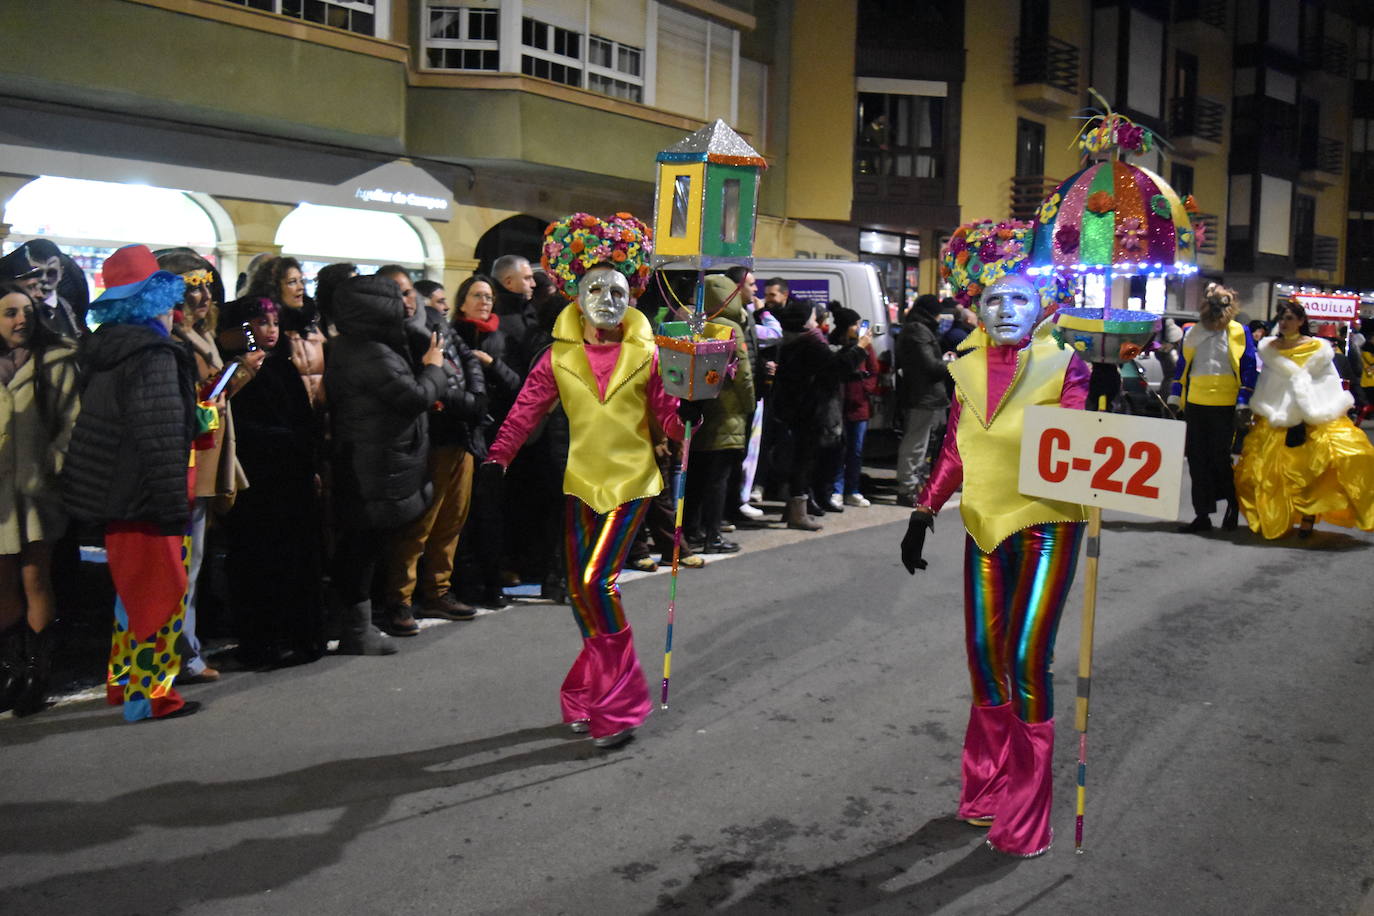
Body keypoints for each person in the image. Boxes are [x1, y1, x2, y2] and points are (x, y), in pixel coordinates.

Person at [901, 219, 1088, 857]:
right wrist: (923, 512)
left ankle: (1026, 818)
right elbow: (954, 449)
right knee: (986, 661)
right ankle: (986, 791)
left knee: (1028, 662)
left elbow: (1068, 444)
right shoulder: (966, 369)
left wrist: (1098, 411)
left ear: (1042, 308)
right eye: (993, 299)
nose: (1005, 309)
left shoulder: (1067, 365)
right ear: (975, 308)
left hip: (1046, 527)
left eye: (1019, 298)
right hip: (983, 530)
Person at [481, 211, 682, 749]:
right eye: (597, 289)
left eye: (618, 291)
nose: (609, 301)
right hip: (580, 485)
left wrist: (697, 404)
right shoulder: (556, 357)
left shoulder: (650, 353)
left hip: (632, 482)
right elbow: (526, 410)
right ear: (576, 294)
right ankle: (589, 692)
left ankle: (619, 705)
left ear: (632, 296)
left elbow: (670, 417)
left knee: (597, 582)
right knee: (576, 591)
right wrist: (498, 457)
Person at [61, 245, 203, 721]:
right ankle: (152, 697)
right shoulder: (154, 353)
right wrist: (169, 509)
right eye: (165, 297)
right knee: (161, 597)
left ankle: (124, 686)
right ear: (151, 300)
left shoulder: (108, 350)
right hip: (149, 494)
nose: (173, 309)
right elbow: (159, 437)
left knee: (131, 597)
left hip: (117, 492)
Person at [325, 274, 448, 654]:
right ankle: (358, 630)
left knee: (362, 546)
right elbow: (413, 397)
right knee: (363, 548)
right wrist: (434, 367)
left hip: (371, 460)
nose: (406, 303)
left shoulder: (351, 346)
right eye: (399, 296)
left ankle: (357, 626)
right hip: (376, 463)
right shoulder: (373, 353)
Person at [161, 251, 260, 683]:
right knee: (182, 564)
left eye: (205, 286)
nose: (202, 295)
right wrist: (236, 375)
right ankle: (179, 655)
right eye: (190, 288)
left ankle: (185, 651)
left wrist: (235, 375)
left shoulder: (196, 333)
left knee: (193, 563)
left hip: (204, 459)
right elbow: (199, 403)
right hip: (186, 465)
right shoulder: (174, 338)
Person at [217, 294, 324, 666]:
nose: (271, 331)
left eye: (275, 323)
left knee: (292, 558)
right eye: (262, 323)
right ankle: (262, 639)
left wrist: (308, 461)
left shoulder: (282, 367)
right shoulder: (235, 370)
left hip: (289, 479)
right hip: (254, 481)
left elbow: (305, 421)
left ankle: (296, 637)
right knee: (257, 560)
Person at [383, 278, 487, 625]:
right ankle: (400, 598)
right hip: (429, 438)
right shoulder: (395, 336)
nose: (407, 299)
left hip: (460, 434)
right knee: (419, 525)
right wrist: (467, 401)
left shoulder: (437, 324)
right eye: (399, 293)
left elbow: (466, 361)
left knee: (452, 520)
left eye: (410, 292)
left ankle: (438, 592)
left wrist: (474, 397)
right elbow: (426, 382)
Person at [0, 281, 80, 716]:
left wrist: (54, 464)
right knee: (2, 582)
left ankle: (36, 672)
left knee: (35, 577)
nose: (20, 321)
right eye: (10, 312)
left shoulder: (56, 361)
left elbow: (73, 422)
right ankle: (11, 669)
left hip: (37, 491)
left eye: (26, 313)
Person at [1234, 300, 1374, 539]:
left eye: (1290, 318)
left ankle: (1309, 517)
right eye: (1282, 318)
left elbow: (1327, 381)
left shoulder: (1318, 349)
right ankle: (1280, 514)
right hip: (1276, 417)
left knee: (1319, 467)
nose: (1285, 323)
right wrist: (1257, 406)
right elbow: (1268, 384)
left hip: (1314, 417)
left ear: (1301, 321)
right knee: (1266, 472)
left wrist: (1322, 407)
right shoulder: (1269, 349)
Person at [451, 273, 524, 608]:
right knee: (460, 516)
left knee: (490, 513)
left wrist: (492, 365)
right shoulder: (451, 335)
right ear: (462, 300)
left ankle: (492, 582)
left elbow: (519, 385)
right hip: (462, 433)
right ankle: (463, 583)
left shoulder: (503, 338)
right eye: (478, 296)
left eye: (489, 297)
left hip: (494, 436)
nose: (484, 302)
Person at [769, 298, 872, 529]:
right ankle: (797, 512)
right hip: (808, 408)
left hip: (799, 407)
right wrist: (860, 349)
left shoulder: (794, 341)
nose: (818, 323)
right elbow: (836, 367)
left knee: (802, 458)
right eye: (814, 318)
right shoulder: (810, 343)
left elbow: (827, 369)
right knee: (804, 460)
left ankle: (795, 508)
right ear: (805, 322)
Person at [1167, 282, 1257, 533]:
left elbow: (1248, 367)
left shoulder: (1239, 332)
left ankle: (1231, 504)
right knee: (1197, 459)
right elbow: (1183, 367)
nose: (1216, 310)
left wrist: (1243, 402)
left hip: (1225, 405)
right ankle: (1202, 514)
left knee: (1219, 459)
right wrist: (1175, 398)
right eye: (1212, 305)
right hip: (1196, 403)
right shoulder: (1193, 333)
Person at [684, 274, 755, 553]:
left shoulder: (697, 325)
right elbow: (744, 376)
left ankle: (692, 530)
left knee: (698, 476)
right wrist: (748, 406)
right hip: (728, 412)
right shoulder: (731, 329)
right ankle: (713, 536)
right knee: (719, 479)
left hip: (700, 408)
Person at [243, 256, 326, 412]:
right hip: (285, 416)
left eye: (301, 281)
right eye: (292, 282)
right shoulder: (265, 330)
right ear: (274, 286)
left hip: (319, 416)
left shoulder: (311, 323)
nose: (300, 287)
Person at [894, 294, 950, 507]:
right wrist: (948, 363)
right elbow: (930, 366)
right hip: (922, 395)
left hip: (924, 395)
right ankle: (907, 487)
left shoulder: (917, 328)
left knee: (919, 442)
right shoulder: (918, 330)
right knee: (915, 443)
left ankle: (911, 484)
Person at [829, 306, 878, 509]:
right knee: (838, 449)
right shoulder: (834, 346)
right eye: (855, 324)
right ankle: (836, 490)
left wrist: (866, 388)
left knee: (856, 451)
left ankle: (853, 490)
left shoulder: (866, 347)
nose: (859, 328)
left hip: (860, 406)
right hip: (838, 405)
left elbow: (874, 371)